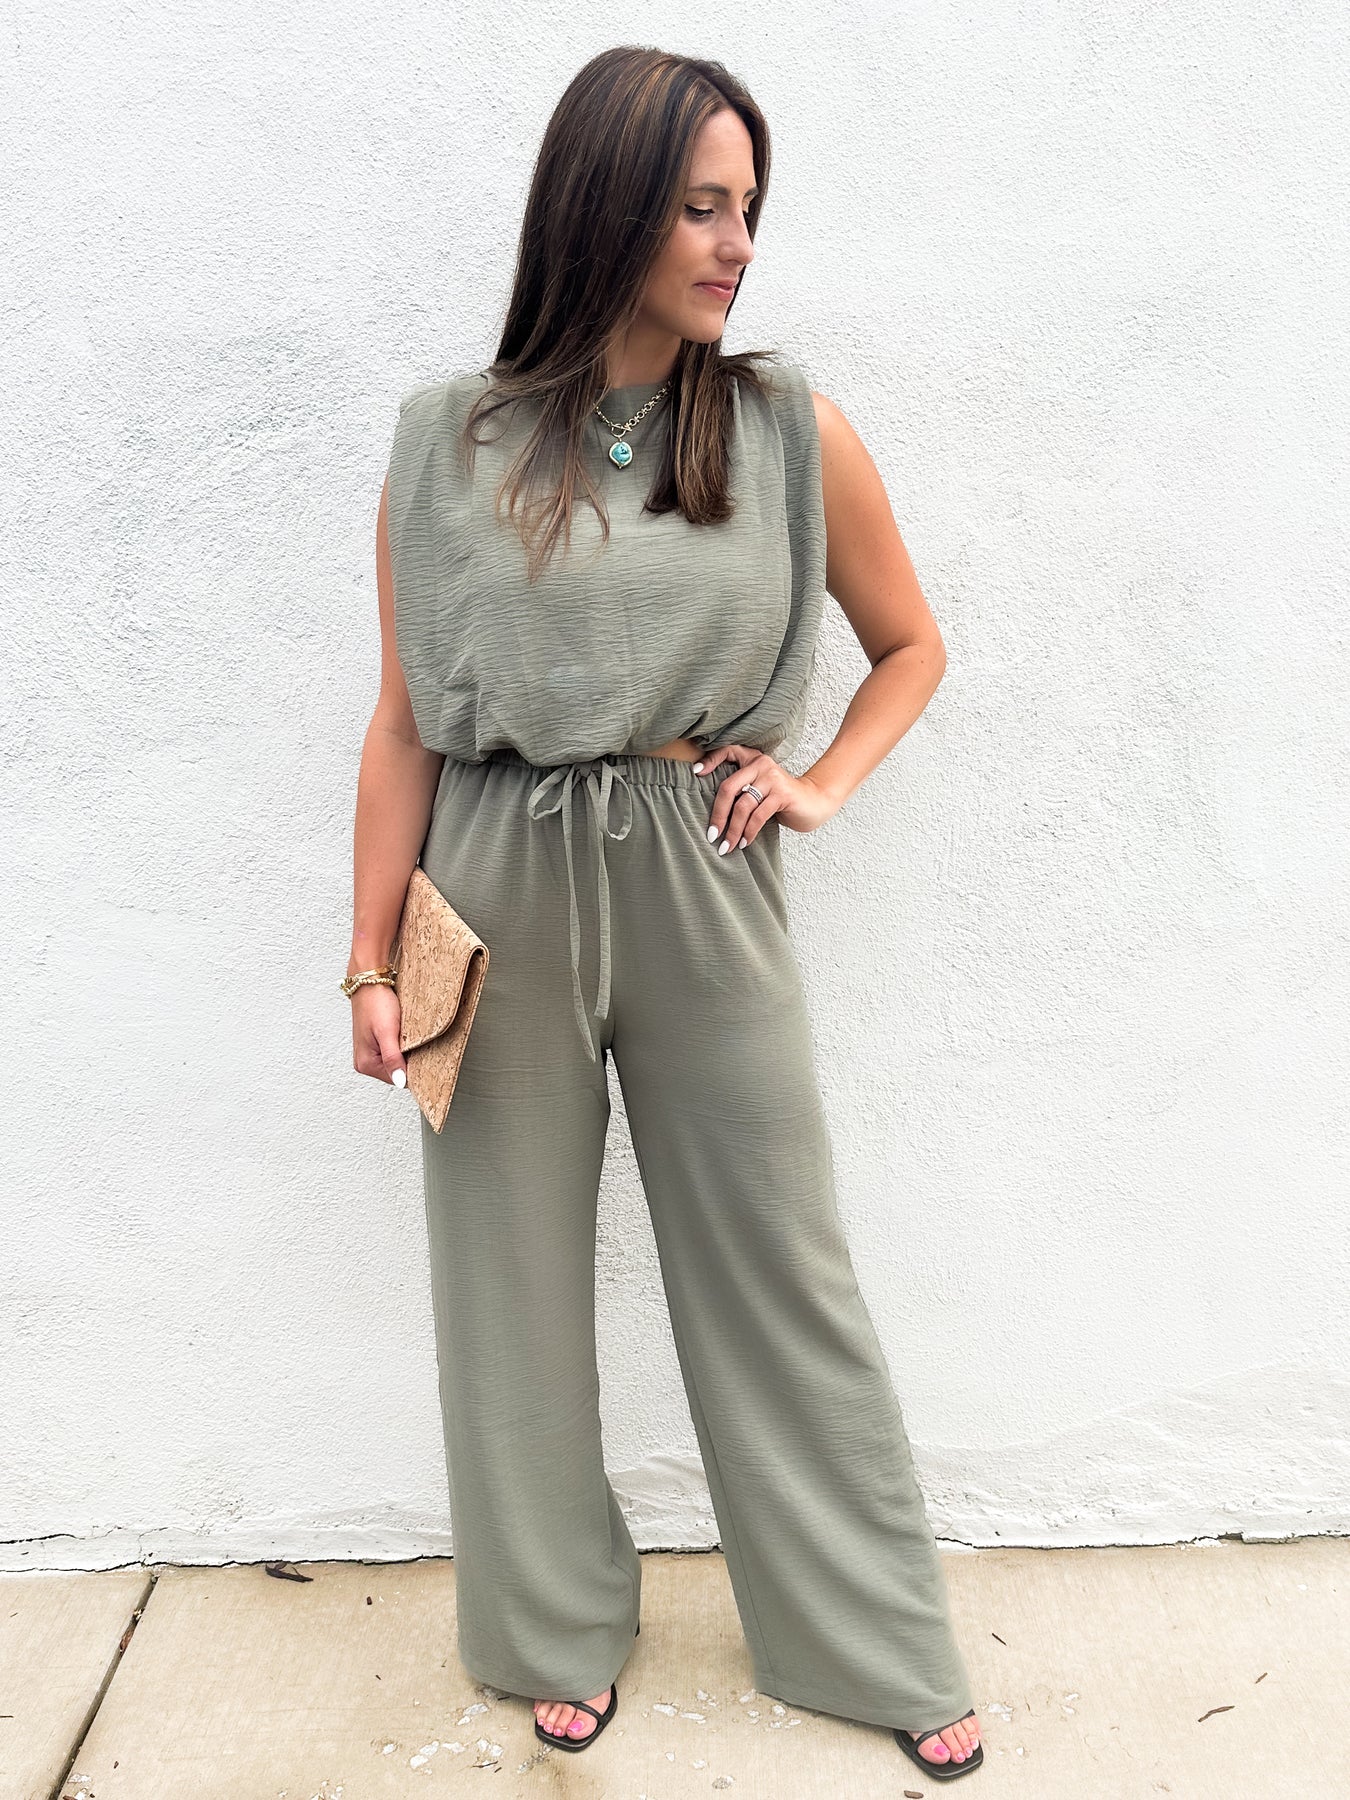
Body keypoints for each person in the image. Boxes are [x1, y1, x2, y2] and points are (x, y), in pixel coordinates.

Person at [345, 44, 984, 1782]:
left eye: (747, 208)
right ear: (605, 207)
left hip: (700, 868)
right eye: (701, 207)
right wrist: (366, 959)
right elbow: (401, 725)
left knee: (778, 1260)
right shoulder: (446, 441)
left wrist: (819, 785)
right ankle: (552, 1624)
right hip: (486, 881)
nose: (736, 244)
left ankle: (865, 1633)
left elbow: (908, 645)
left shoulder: (785, 431)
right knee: (505, 1276)